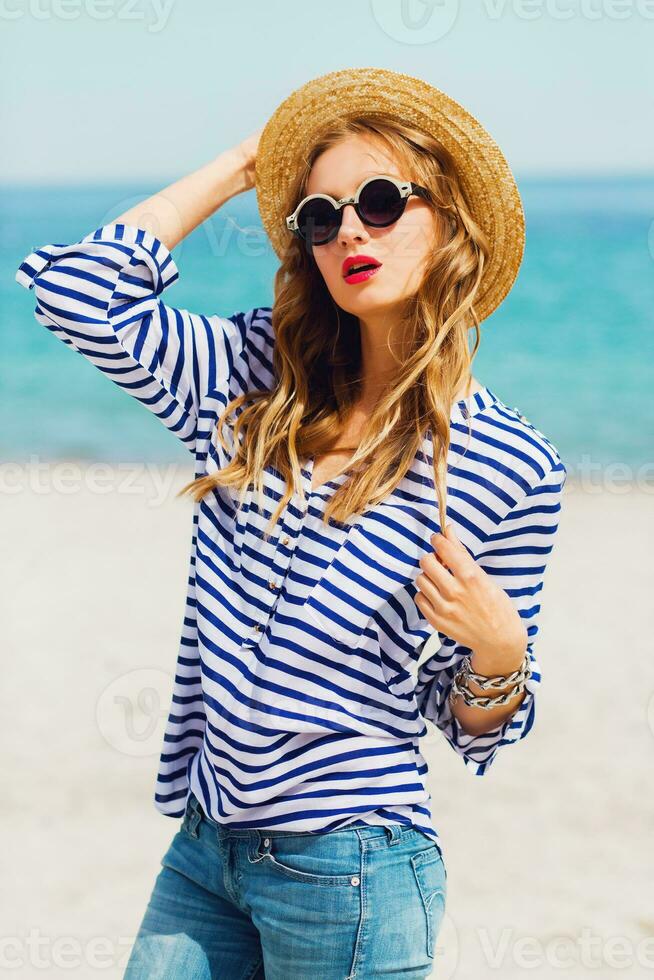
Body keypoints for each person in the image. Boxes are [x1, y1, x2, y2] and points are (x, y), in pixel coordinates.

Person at [16, 68, 566, 980]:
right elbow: (78, 296)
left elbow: (470, 724)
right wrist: (240, 166)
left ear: (451, 223)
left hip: (351, 865)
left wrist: (501, 656)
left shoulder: (509, 464)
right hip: (207, 844)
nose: (349, 228)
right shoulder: (251, 381)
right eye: (320, 215)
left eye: (382, 201)